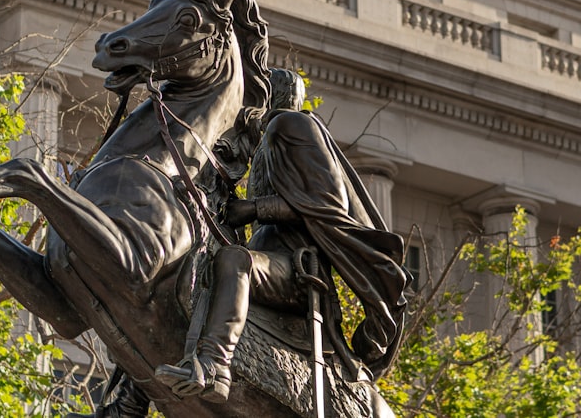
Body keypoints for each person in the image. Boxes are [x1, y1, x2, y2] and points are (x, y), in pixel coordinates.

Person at [155, 69, 410, 401]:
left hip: (298, 273)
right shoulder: (268, 141)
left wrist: (253, 209)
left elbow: (326, 202)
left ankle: (215, 365)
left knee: (235, 261)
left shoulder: (290, 125)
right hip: (272, 261)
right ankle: (128, 403)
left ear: (270, 95)